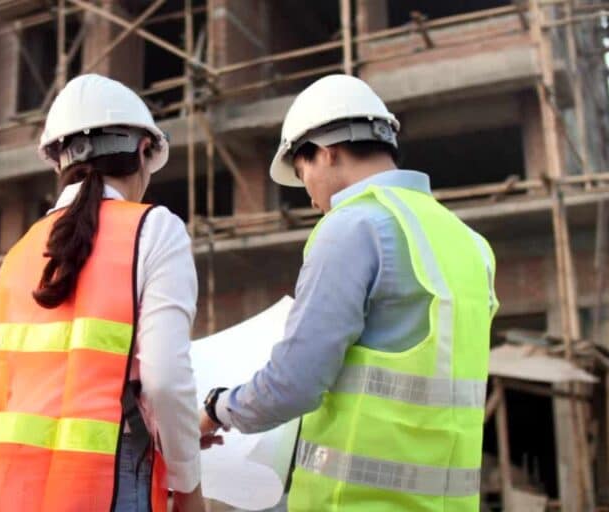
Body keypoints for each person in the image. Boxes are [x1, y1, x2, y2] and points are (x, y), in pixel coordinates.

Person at [199, 74, 499, 511]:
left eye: (304, 177)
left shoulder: (353, 226)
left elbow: (294, 384)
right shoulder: (471, 243)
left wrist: (218, 407)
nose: (312, 199)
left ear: (326, 152)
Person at [0, 74, 204, 512]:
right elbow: (166, 380)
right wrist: (188, 485)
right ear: (143, 151)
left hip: (4, 494)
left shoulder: (18, 254)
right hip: (108, 485)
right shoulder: (154, 229)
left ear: (59, 163)